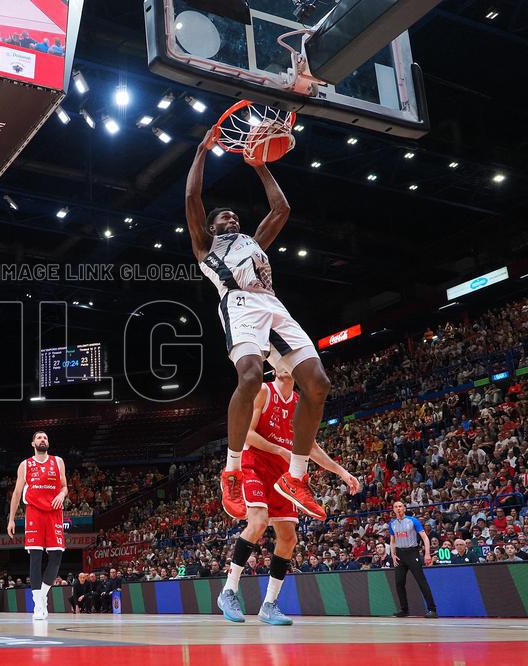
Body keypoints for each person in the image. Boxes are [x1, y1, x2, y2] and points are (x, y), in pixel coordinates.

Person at [184, 129, 330, 522]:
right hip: (239, 304)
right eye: (224, 217)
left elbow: (281, 209)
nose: (232, 218)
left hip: (272, 304)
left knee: (318, 384)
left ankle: (295, 477)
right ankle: (231, 470)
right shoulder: (205, 246)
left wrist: (261, 167)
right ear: (212, 228)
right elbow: (192, 199)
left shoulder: (254, 241)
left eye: (234, 215)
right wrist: (202, 150)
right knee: (250, 377)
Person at [217, 370, 359, 625]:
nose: (283, 365)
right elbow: (245, 433)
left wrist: (343, 473)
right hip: (254, 466)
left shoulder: (300, 403)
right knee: (258, 522)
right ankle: (228, 590)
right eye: (278, 361)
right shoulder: (263, 391)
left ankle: (269, 604)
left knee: (288, 537)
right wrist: (280, 449)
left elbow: (312, 448)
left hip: (281, 475)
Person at [7, 431, 68, 621]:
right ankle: (38, 604)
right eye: (39, 438)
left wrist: (61, 494)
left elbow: (64, 486)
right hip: (34, 513)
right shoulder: (25, 465)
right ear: (32, 442)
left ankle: (42, 596)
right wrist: (11, 519)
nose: (43, 440)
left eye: (46, 438)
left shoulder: (58, 461)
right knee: (35, 557)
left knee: (56, 555)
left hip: (54, 512)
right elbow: (17, 493)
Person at [388, 501, 438, 618]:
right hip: (400, 554)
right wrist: (393, 554)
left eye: (400, 506)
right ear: (393, 510)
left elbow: (425, 538)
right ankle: (404, 610)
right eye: (396, 507)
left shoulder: (413, 521)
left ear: (404, 508)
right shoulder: (392, 524)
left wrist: (427, 554)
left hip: (412, 553)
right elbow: (392, 541)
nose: (398, 508)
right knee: (399, 583)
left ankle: (432, 609)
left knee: (421, 581)